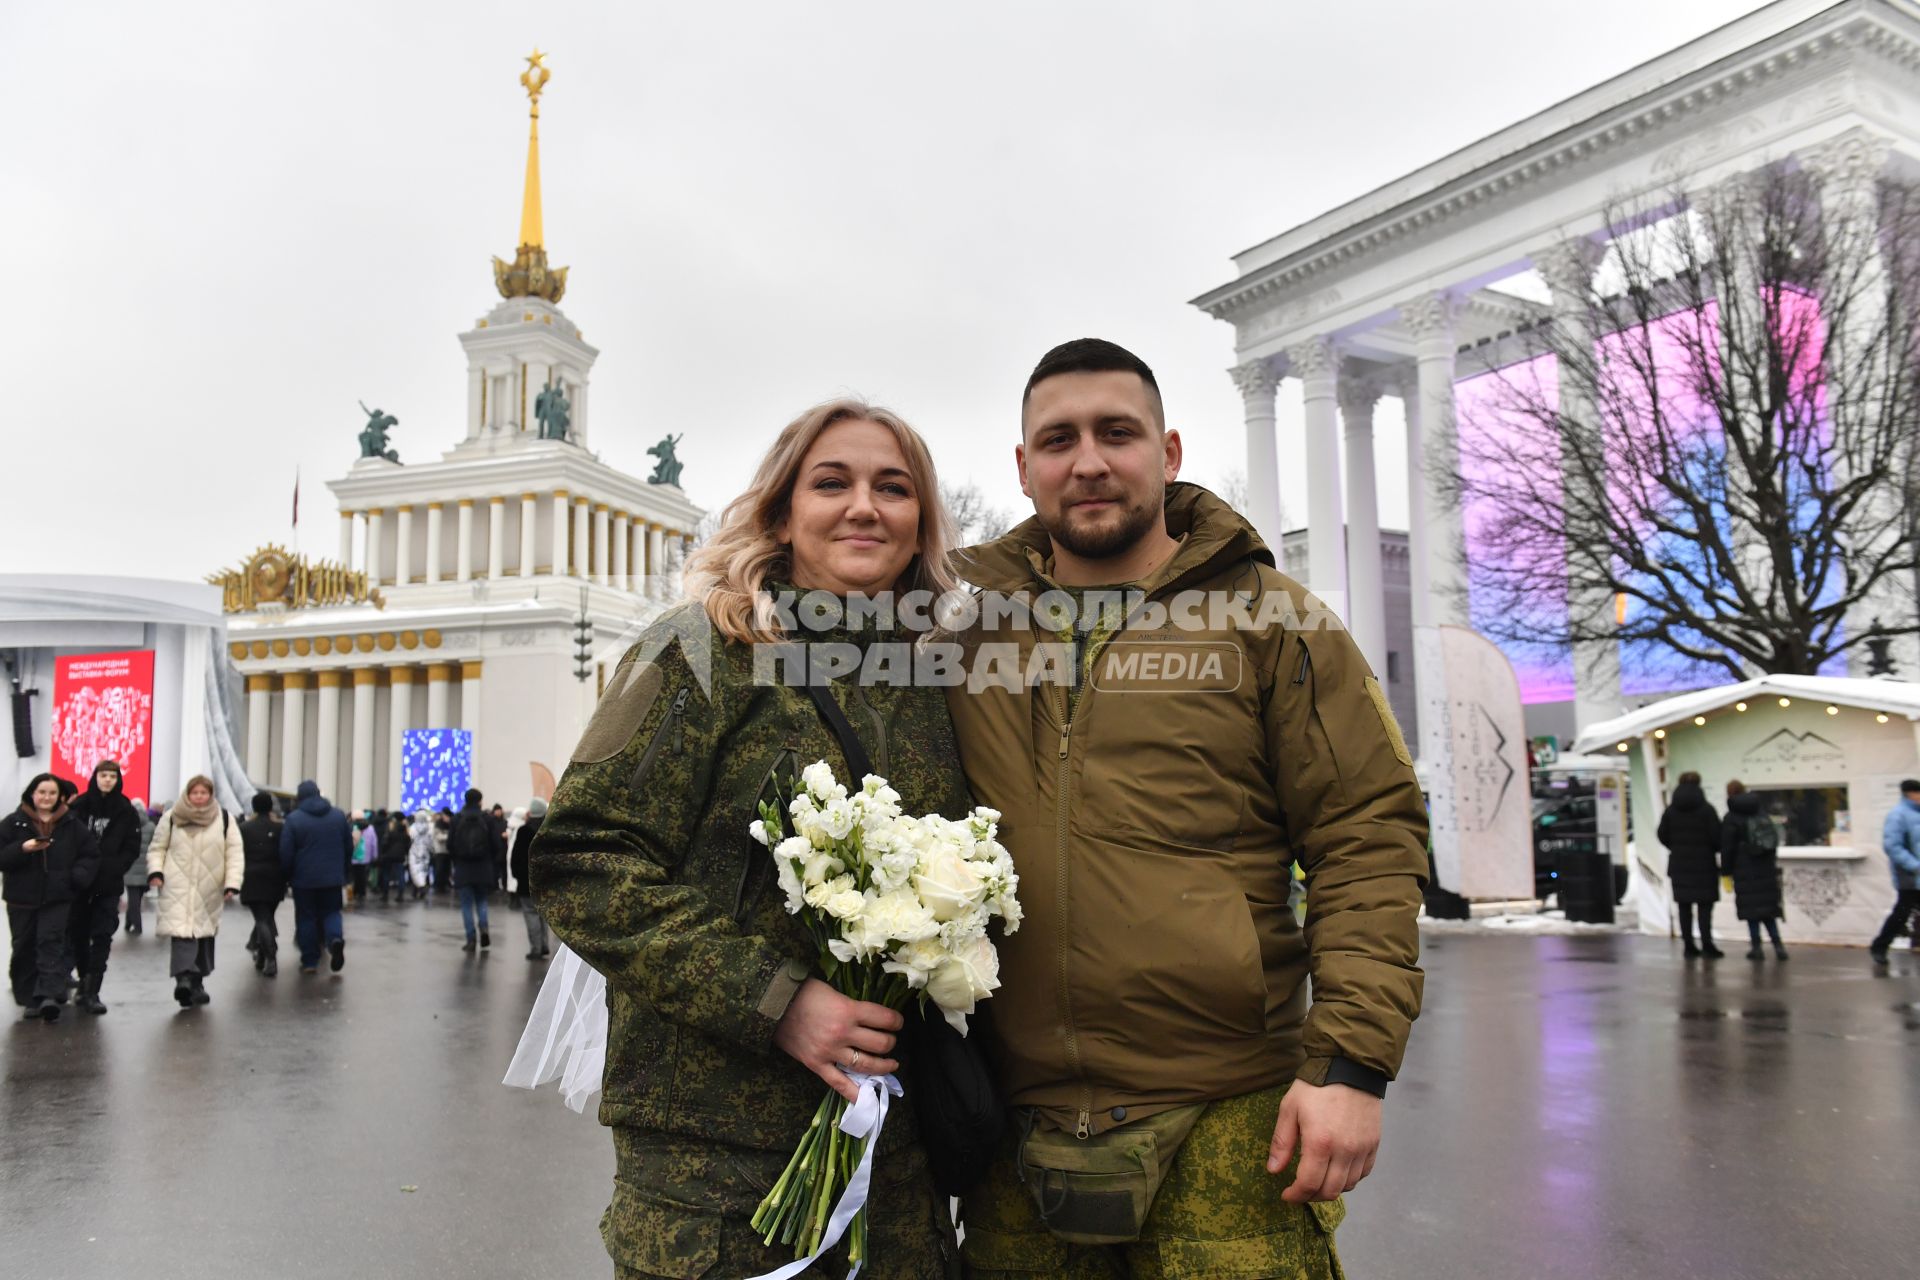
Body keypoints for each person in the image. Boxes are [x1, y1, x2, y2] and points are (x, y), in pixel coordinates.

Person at [943, 339, 1429, 1276]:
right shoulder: (965, 641)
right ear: (1023, 466)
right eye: (1058, 439)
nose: (1088, 460)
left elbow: (1365, 837)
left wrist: (1350, 1068)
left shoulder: (1273, 621)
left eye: (1116, 433)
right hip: (1017, 1128)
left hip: (1230, 1121)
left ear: (1167, 454)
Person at [531, 398, 969, 1278]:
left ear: (920, 520)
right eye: (831, 482)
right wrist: (776, 1003)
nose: (864, 506)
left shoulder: (935, 681)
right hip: (717, 1180)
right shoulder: (704, 650)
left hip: (898, 1174)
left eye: (894, 487)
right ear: (780, 510)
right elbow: (583, 859)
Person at [2, 774, 100, 1021]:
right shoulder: (14, 823)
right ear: (32, 794)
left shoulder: (71, 824)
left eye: (52, 793)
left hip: (58, 897)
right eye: (42, 792)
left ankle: (48, 994)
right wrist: (22, 849)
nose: (46, 798)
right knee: (23, 946)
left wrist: (75, 878)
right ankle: (29, 998)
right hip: (21, 898)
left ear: (60, 797)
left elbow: (90, 855)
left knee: (51, 943)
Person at [146, 775, 245, 1008]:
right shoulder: (171, 818)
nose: (199, 797)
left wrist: (232, 883)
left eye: (203, 793)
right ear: (187, 794)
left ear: (210, 795)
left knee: (203, 934)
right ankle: (184, 978)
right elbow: (157, 848)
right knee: (182, 931)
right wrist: (156, 872)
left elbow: (235, 854)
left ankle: (197, 982)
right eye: (195, 793)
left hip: (209, 886)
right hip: (176, 883)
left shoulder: (224, 820)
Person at [67, 760, 144, 1015]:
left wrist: (116, 867)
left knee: (102, 935)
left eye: (112, 776)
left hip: (108, 883)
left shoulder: (125, 809)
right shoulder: (79, 806)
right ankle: (83, 980)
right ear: (95, 777)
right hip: (79, 883)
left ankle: (92, 990)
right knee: (77, 934)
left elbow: (132, 846)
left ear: (117, 779)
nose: (107, 780)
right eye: (103, 775)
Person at [280, 779, 352, 974]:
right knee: (331, 912)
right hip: (333, 878)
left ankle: (310, 961)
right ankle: (335, 939)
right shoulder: (338, 816)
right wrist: (344, 871)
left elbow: (286, 853)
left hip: (304, 880)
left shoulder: (294, 819)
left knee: (306, 918)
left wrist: (286, 876)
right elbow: (348, 847)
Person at [1658, 770, 1725, 958]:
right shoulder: (1707, 810)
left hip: (1679, 865)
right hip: (1705, 865)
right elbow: (1717, 837)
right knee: (1705, 907)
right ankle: (1707, 944)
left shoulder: (1671, 811)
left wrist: (1676, 847)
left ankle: (1688, 945)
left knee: (1684, 907)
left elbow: (1662, 834)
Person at [1721, 779, 1787, 961]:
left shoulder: (1731, 818)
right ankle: (1778, 946)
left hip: (1744, 868)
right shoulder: (1761, 812)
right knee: (1768, 910)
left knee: (1752, 911)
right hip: (1765, 867)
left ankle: (1756, 948)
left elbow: (1727, 848)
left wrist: (1725, 872)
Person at [1870, 777, 1920, 962]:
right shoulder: (1898, 815)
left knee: (1902, 912)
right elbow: (1893, 847)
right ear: (1911, 794)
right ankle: (1879, 946)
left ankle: (1880, 946)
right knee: (1901, 913)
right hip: (1909, 876)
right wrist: (1915, 866)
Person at [239, 792, 287, 977]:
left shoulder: (244, 828)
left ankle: (270, 955)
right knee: (267, 916)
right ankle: (261, 954)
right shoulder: (279, 828)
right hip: (275, 877)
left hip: (251, 877)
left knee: (261, 919)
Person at [449, 789, 495, 951]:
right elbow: (495, 844)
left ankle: (470, 939)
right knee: (482, 901)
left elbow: (450, 845)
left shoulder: (457, 819)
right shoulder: (487, 819)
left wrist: (457, 862)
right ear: (480, 801)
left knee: (466, 905)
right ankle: (484, 928)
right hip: (483, 867)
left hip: (463, 868)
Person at [509, 798, 548, 960]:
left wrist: (517, 875)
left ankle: (535, 948)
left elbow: (516, 857)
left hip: (526, 881)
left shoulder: (524, 831)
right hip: (546, 882)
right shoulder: (548, 829)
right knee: (543, 915)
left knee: (531, 914)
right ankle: (544, 944)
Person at [124, 804, 156, 934]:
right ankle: (128, 922)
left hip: (129, 868)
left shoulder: (126, 825)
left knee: (133, 899)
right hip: (145, 868)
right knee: (136, 899)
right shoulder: (151, 826)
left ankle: (137, 926)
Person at [378, 809, 408, 903]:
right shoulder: (405, 830)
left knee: (386, 874)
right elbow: (408, 843)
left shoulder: (390, 829)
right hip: (400, 855)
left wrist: (383, 852)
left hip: (388, 855)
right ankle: (400, 895)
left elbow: (385, 842)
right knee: (400, 875)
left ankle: (385, 894)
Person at [407, 807, 433, 899]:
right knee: (423, 871)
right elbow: (430, 841)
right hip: (425, 852)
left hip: (414, 851)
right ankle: (421, 887)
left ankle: (417, 889)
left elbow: (410, 839)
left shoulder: (413, 828)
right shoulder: (429, 828)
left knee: (414, 871)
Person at [349, 816, 375, 905]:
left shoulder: (354, 828)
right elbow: (374, 843)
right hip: (365, 856)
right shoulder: (371, 829)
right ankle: (362, 891)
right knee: (363, 874)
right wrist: (374, 855)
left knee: (355, 875)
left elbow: (352, 843)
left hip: (354, 856)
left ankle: (356, 891)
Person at [488, 802, 510, 892]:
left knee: (504, 870)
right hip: (495, 849)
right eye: (496, 810)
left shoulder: (505, 822)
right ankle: (495, 886)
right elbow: (491, 835)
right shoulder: (491, 822)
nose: (498, 812)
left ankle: (505, 886)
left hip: (504, 849)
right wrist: (500, 836)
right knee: (495, 869)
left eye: (499, 810)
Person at [430, 810, 452, 894]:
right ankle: (438, 885)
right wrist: (449, 836)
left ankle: (444, 884)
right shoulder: (438, 825)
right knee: (439, 869)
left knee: (446, 869)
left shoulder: (449, 825)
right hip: (439, 850)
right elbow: (439, 837)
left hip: (447, 851)